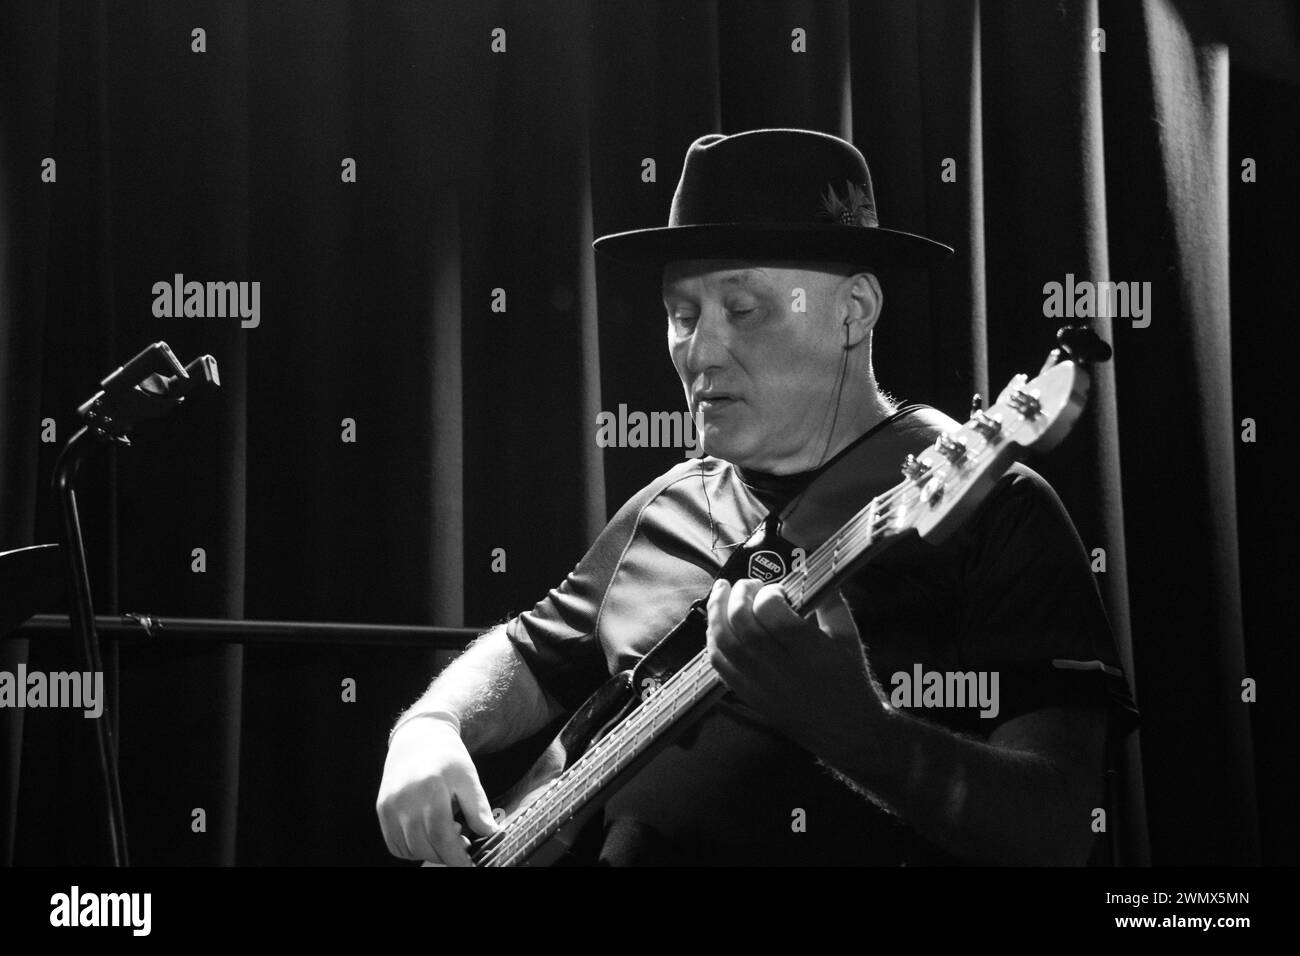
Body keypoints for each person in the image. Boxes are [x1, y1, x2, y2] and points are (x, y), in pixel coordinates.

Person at [375, 128, 1138, 866]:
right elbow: (530, 654)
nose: (699, 352)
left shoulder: (996, 508)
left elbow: (1058, 833)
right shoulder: (663, 508)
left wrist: (854, 729)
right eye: (682, 316)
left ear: (853, 311)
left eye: (742, 310)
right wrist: (432, 726)